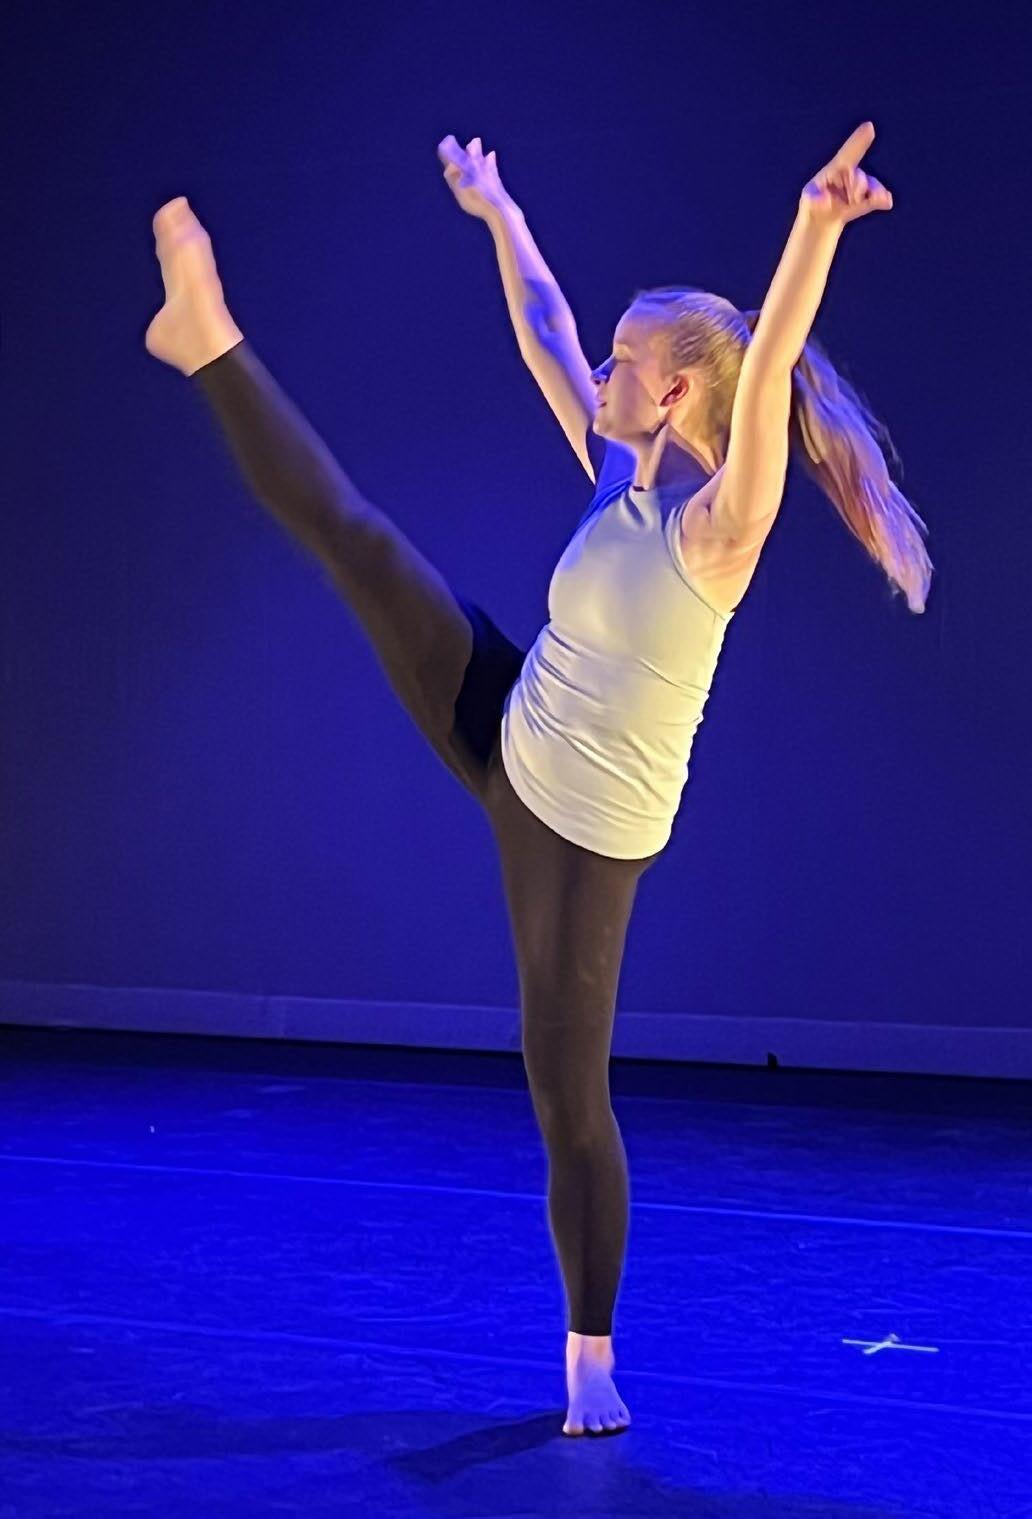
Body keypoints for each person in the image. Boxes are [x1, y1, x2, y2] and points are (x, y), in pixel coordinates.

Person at [143, 122, 932, 1438]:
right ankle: (207, 338)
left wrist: (813, 225)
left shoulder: (720, 531)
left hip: (582, 828)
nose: (599, 373)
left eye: (625, 363)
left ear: (676, 395)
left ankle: (590, 1356)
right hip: (514, 725)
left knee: (567, 1099)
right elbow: (547, 329)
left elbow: (770, 365)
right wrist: (499, 212)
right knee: (363, 543)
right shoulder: (618, 469)